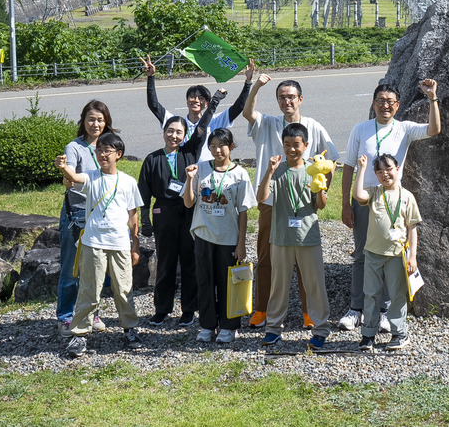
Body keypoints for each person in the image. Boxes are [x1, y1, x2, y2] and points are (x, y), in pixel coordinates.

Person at [335, 79, 440, 332]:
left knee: (390, 255)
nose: (385, 105)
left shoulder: (404, 128)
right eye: (380, 101)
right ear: (373, 103)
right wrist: (346, 204)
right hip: (363, 200)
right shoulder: (360, 129)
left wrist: (432, 98)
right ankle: (355, 309)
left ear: (397, 105)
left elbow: (434, 130)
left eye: (390, 102)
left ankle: (384, 310)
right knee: (362, 254)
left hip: (391, 202)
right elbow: (348, 166)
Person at [242, 72, 338, 328]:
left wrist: (321, 188)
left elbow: (333, 161)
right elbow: (248, 113)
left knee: (304, 261)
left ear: (300, 99)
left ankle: (309, 312)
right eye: (282, 97)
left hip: (303, 203)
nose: (287, 101)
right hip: (272, 202)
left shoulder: (313, 126)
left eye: (291, 97)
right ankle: (263, 309)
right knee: (266, 257)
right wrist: (256, 87)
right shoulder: (268, 123)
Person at [138, 88, 226, 326]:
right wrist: (145, 220)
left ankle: (189, 309)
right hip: (163, 214)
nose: (174, 136)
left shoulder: (190, 151)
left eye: (179, 132)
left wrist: (214, 102)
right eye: (170, 131)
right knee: (165, 263)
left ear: (185, 135)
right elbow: (143, 193)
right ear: (164, 132)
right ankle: (162, 309)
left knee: (190, 262)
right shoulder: (152, 159)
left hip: (188, 210)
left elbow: (203, 127)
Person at [56, 131, 144, 357]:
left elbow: (133, 216)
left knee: (123, 288)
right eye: (99, 151)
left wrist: (135, 245)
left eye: (107, 151)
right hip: (93, 241)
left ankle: (130, 329)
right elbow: (74, 178)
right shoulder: (91, 177)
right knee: (89, 288)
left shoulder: (128, 182)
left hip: (120, 243)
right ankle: (80, 335)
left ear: (119, 154)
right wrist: (63, 166)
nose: (102, 155)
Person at [255, 123, 330, 351]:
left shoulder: (312, 169)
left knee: (315, 284)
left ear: (305, 145)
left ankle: (320, 329)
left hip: (308, 237)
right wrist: (269, 170)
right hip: (281, 238)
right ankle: (274, 329)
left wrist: (320, 189)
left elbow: (321, 205)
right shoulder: (278, 169)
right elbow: (262, 197)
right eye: (287, 144)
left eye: (296, 145)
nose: (291, 149)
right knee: (279, 285)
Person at [182, 127, 255, 344]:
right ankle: (207, 325)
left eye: (221, 146)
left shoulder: (240, 174)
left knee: (227, 283)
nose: (217, 151)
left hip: (228, 237)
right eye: (212, 146)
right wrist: (189, 179)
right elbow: (188, 202)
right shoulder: (200, 169)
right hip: (203, 235)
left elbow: (243, 212)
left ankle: (229, 326)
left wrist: (241, 243)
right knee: (204, 281)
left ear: (231, 147)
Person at [55, 100, 115, 337]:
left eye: (100, 119)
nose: (95, 124)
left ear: (106, 122)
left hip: (101, 212)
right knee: (71, 267)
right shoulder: (75, 147)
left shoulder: (109, 146)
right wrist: (64, 176)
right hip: (77, 213)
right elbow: (69, 176)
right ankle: (66, 317)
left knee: (95, 268)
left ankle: (91, 312)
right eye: (91, 119)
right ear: (83, 120)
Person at [352, 153, 421, 350]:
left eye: (389, 169)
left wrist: (412, 255)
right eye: (380, 171)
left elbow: (412, 227)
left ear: (397, 169)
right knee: (370, 294)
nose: (385, 174)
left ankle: (399, 333)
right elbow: (358, 195)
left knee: (397, 295)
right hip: (373, 253)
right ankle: (368, 334)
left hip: (396, 255)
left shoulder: (407, 196)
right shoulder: (374, 192)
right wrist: (362, 168)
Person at [143, 55, 254, 163]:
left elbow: (238, 107)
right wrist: (151, 77)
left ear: (206, 104)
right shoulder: (177, 123)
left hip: (208, 172)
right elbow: (154, 105)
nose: (196, 100)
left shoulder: (215, 120)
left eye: (201, 98)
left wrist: (248, 83)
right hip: (184, 171)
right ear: (187, 101)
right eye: (192, 97)